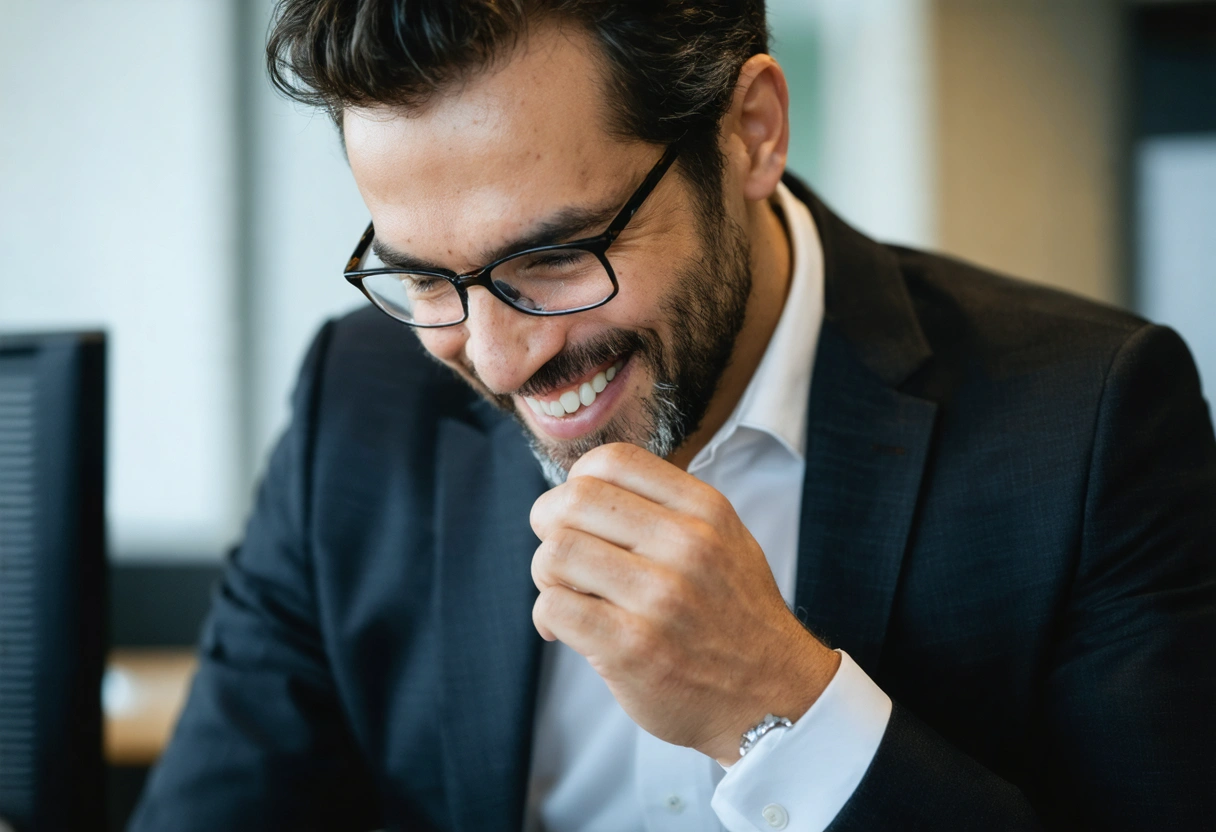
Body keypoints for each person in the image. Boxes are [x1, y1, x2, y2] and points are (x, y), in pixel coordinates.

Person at [130, 2, 1216, 830]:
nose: (501, 359)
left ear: (750, 132)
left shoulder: (1088, 419)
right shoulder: (357, 403)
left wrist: (778, 702)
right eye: (424, 278)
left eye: (555, 254)